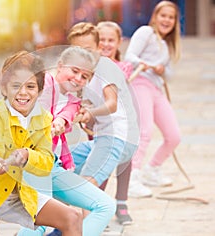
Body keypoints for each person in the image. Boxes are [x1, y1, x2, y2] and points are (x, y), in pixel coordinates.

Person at [0, 51, 84, 236]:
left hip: (19, 194)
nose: (23, 92)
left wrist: (27, 155)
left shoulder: (43, 119)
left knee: (72, 217)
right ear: (4, 89)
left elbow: (46, 162)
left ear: (40, 91)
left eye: (30, 86)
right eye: (16, 86)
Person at [16, 46, 116, 236]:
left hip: (53, 164)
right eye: (75, 71)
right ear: (60, 66)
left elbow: (67, 114)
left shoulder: (73, 100)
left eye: (84, 76)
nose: (78, 78)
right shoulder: (43, 83)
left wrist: (61, 120)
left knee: (104, 206)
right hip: (32, 161)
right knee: (40, 222)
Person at [65, 22, 139, 230]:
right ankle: (58, 223)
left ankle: (89, 227)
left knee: (86, 186)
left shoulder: (106, 67)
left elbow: (111, 103)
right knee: (62, 167)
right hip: (101, 138)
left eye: (87, 50)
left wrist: (90, 113)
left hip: (119, 137)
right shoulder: (82, 72)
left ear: (98, 49)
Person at [124, 0, 181, 198]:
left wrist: (162, 69)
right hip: (140, 83)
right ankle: (131, 178)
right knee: (144, 132)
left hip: (156, 88)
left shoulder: (166, 44)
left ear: (175, 22)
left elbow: (171, 75)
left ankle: (152, 170)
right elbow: (129, 55)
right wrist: (145, 64)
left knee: (174, 136)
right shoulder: (145, 33)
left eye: (171, 17)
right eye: (163, 15)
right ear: (155, 16)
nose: (167, 20)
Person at [95, 20, 138, 225]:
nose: (106, 44)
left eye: (111, 40)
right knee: (100, 164)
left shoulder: (123, 66)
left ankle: (121, 203)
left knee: (124, 162)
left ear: (119, 42)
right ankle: (97, 205)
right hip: (98, 124)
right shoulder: (91, 66)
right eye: (101, 39)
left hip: (122, 124)